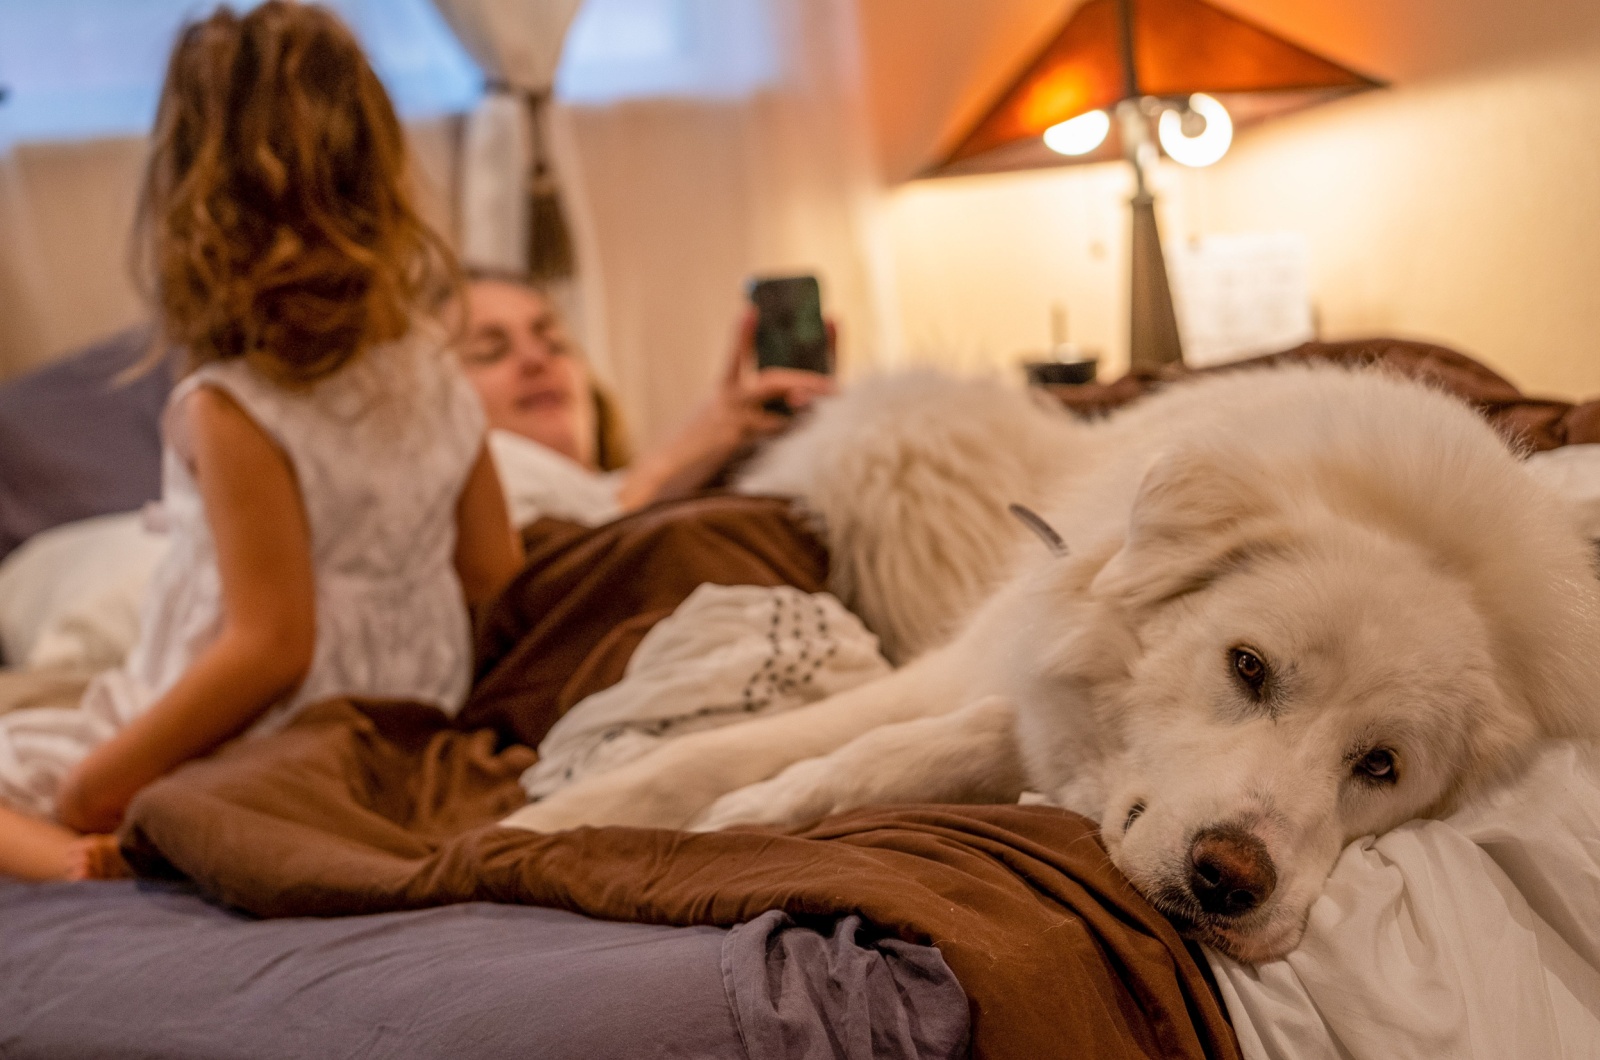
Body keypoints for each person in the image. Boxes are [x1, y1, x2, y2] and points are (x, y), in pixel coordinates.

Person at [0, 1, 521, 881]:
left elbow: (272, 649)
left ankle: (89, 859)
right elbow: (494, 574)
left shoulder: (233, 406)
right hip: (408, 722)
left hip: (269, 737)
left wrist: (100, 780)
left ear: (192, 196)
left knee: (47, 771)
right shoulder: (433, 368)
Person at [459, 277, 834, 528]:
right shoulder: (477, 480)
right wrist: (672, 460)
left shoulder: (633, 491)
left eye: (555, 343)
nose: (538, 360)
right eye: (489, 352)